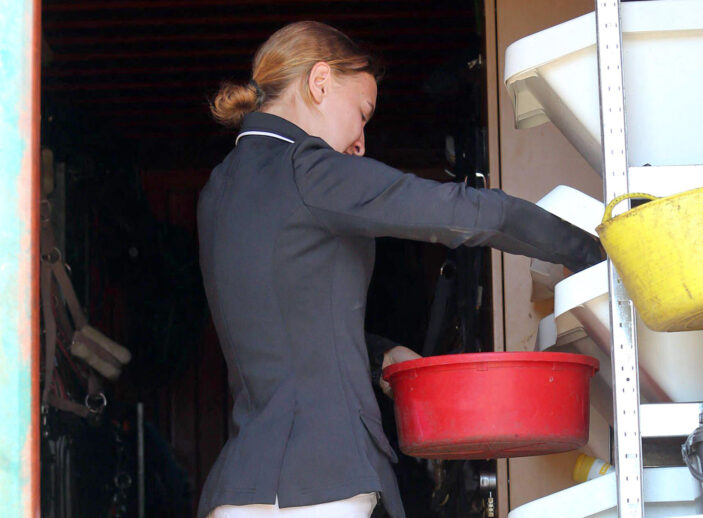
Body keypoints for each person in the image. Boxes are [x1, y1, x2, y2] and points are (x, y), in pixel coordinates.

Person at [197, 20, 605, 518]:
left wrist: (380, 354)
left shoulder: (219, 189)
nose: (361, 142)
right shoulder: (307, 169)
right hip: (317, 486)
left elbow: (284, 317)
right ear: (320, 83)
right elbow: (467, 213)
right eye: (362, 114)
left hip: (243, 488)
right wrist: (592, 251)